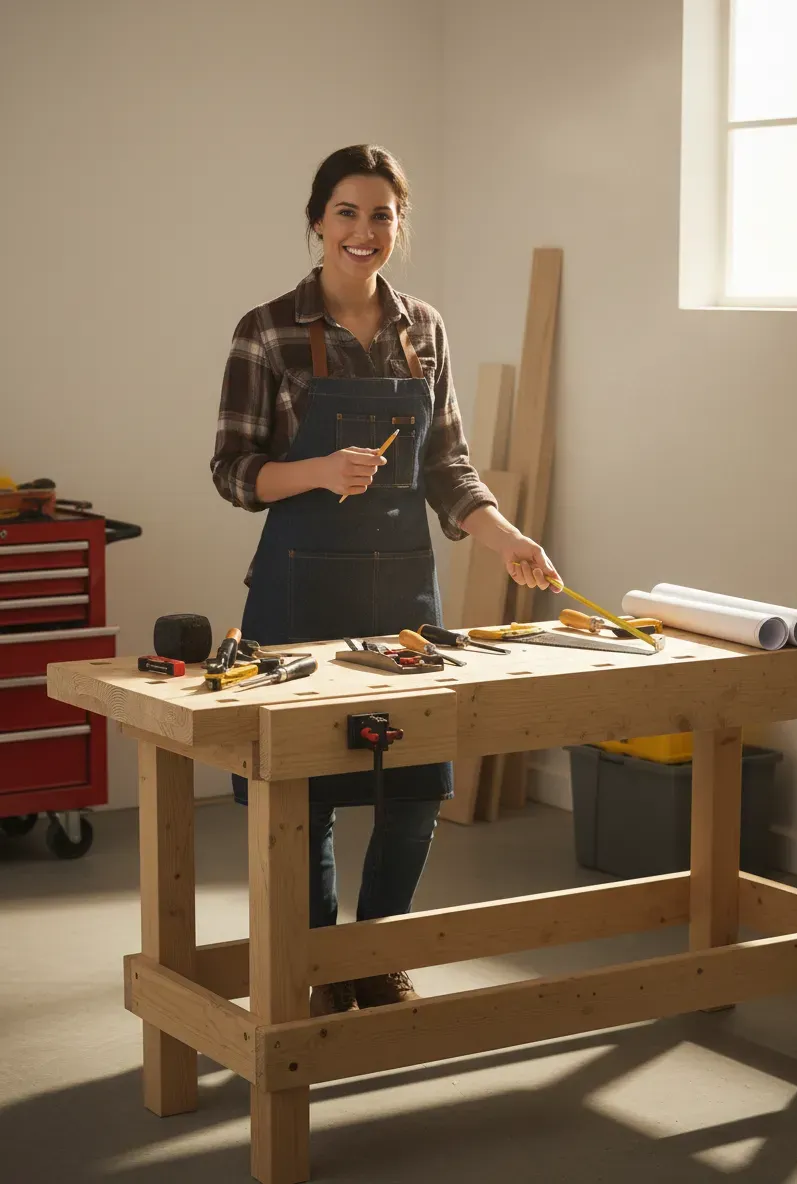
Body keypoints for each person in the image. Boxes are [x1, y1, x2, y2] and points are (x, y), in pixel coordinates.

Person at [211, 144, 560, 1016]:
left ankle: (379, 954)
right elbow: (232, 471)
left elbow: (450, 471)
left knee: (416, 788)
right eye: (347, 213)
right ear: (317, 221)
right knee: (307, 792)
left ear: (399, 227)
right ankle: (323, 962)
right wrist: (320, 469)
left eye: (382, 215)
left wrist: (509, 538)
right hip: (298, 593)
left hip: (403, 593)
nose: (364, 232)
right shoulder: (269, 329)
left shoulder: (423, 330)